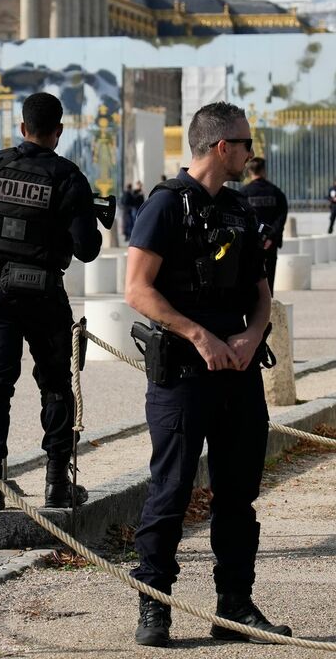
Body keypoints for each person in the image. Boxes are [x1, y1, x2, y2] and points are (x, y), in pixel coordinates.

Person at [125, 101, 292, 647]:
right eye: (245, 143)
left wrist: (251, 337)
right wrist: (200, 336)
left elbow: (262, 293)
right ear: (223, 147)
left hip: (238, 373)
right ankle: (155, 606)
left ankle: (234, 607)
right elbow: (137, 289)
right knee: (170, 492)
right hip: (182, 375)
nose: (250, 152)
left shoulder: (239, 209)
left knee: (238, 496)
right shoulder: (165, 205)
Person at [0, 92, 102, 513]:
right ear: (59, 131)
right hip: (45, 296)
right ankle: (57, 484)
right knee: (55, 387)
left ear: (22, 127)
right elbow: (88, 249)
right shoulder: (69, 177)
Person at [242, 157, 288, 295]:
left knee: (249, 279)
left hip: (250, 244)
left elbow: (242, 219)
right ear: (264, 170)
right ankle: (268, 304)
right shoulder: (276, 193)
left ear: (249, 171)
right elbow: (281, 217)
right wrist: (270, 237)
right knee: (269, 278)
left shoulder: (244, 193)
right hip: (270, 244)